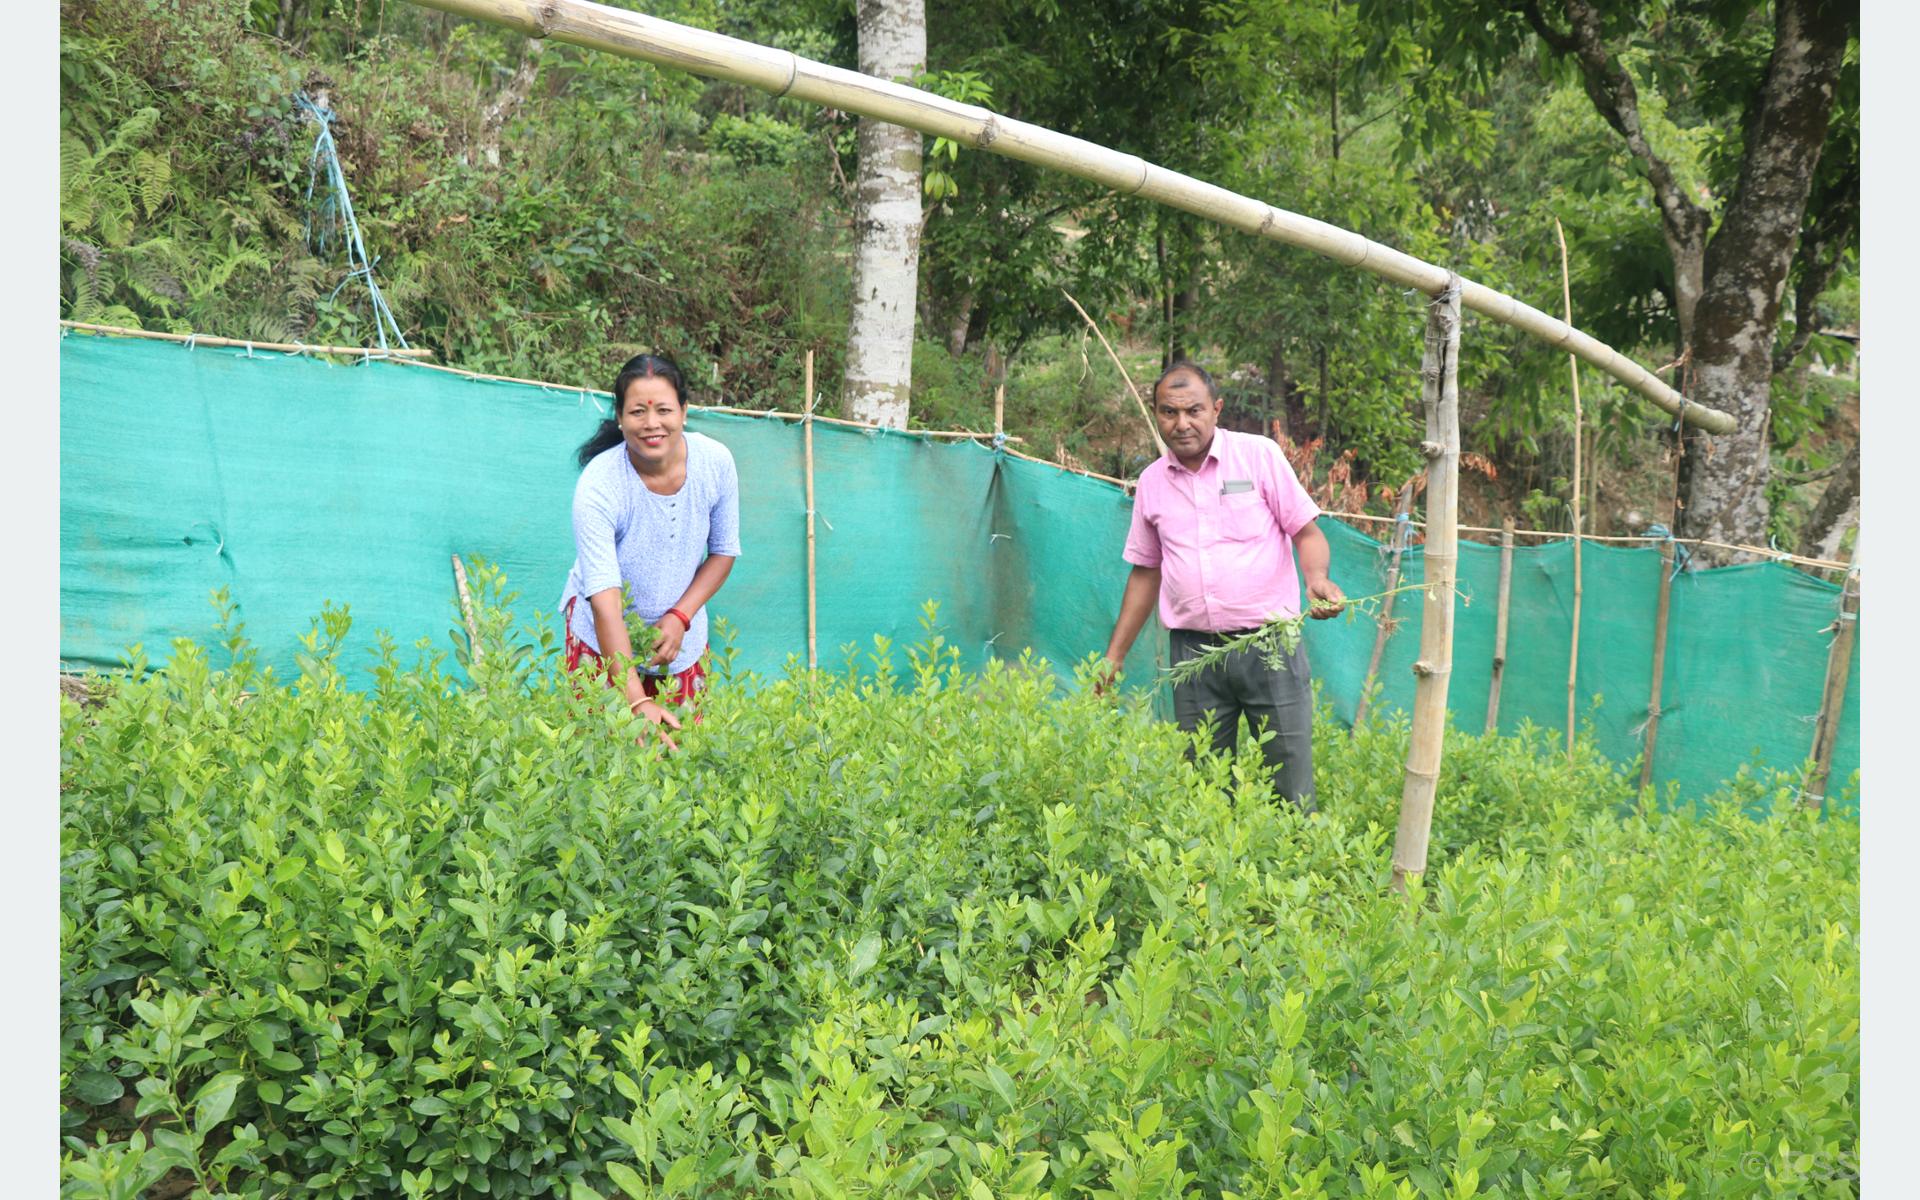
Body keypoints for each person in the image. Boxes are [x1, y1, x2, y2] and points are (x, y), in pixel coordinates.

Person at [1099, 360, 1344, 812]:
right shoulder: (1152, 482)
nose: (1182, 423)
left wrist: (1317, 580)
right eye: (1169, 412)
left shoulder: (1258, 456)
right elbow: (1145, 572)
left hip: (1269, 645)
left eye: (1193, 410)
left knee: (1289, 785)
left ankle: (1297, 874)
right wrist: (1114, 657)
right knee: (1205, 790)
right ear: (1156, 414)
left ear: (1217, 408)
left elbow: (1306, 533)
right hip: (1193, 657)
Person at [559, 352, 740, 749]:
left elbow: (724, 552)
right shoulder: (600, 486)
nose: (652, 423)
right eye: (638, 411)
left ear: (685, 411)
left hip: (681, 639)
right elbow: (605, 602)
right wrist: (636, 700)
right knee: (605, 756)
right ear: (620, 417)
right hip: (602, 640)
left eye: (663, 409)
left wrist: (679, 617)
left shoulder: (715, 463)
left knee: (679, 753)